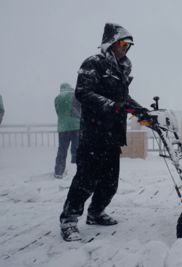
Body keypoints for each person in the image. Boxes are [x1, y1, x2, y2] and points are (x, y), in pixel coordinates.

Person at [59, 22, 147, 241]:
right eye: (123, 44)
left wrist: (141, 110)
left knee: (110, 181)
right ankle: (69, 220)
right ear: (111, 43)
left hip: (113, 134)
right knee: (86, 179)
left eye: (129, 46)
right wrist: (112, 105)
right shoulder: (94, 63)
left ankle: (96, 212)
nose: (126, 49)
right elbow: (82, 93)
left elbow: (123, 99)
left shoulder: (122, 68)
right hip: (93, 133)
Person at [54, 83, 81, 178]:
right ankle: (79, 170)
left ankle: (58, 171)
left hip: (63, 128)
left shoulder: (57, 98)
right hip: (76, 126)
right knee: (77, 148)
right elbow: (80, 109)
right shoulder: (75, 96)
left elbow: (58, 112)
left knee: (62, 149)